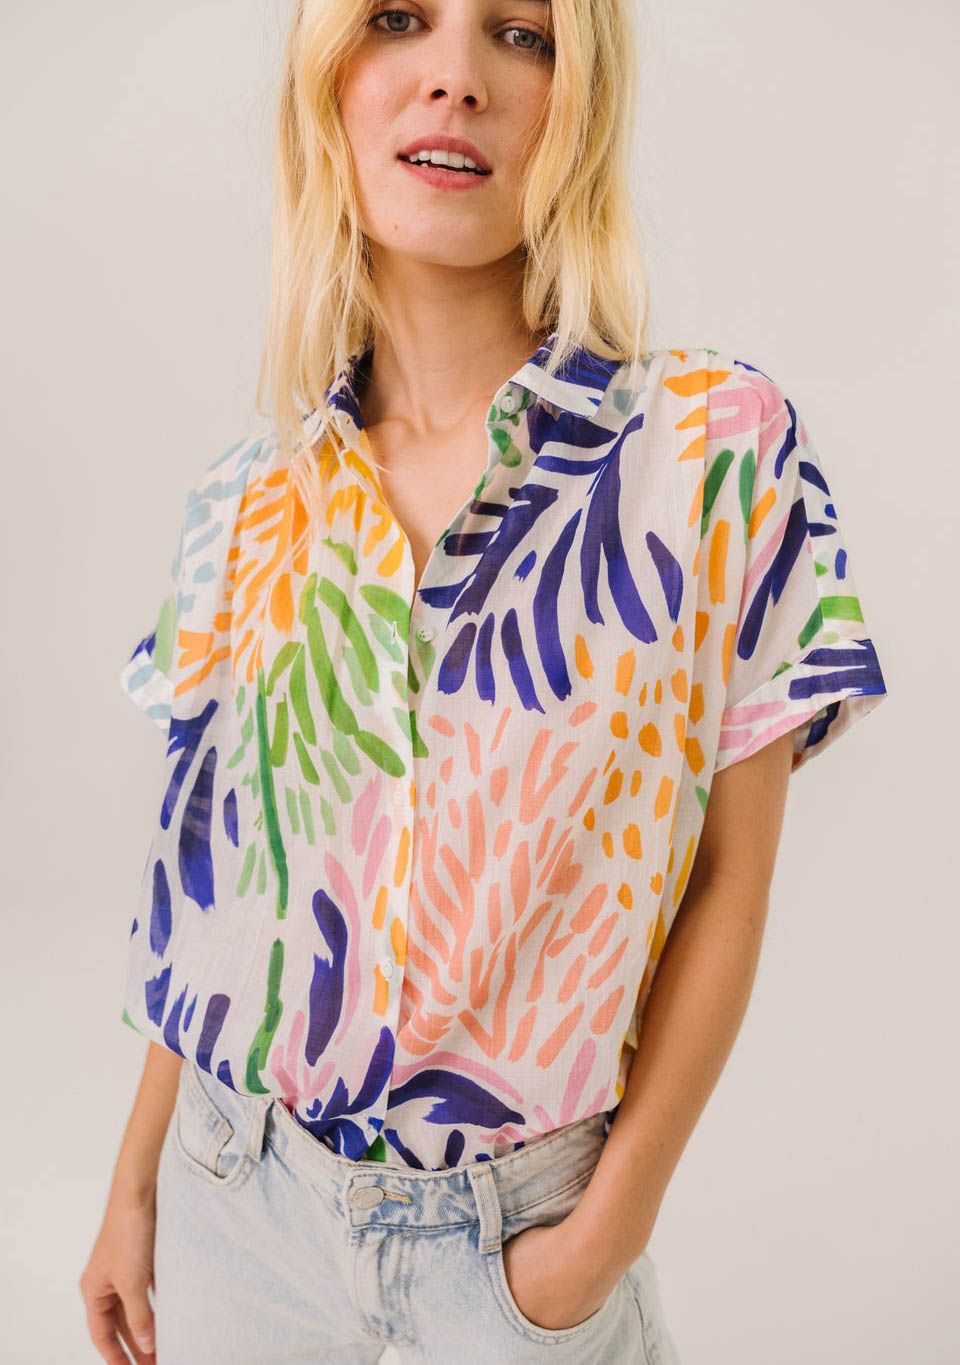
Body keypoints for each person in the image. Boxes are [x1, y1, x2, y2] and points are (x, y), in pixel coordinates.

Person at [79, 1, 889, 1361]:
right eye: (400, 18)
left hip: (518, 1251)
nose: (455, 77)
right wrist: (134, 1186)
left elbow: (730, 880)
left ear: (582, 100)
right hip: (235, 1211)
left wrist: (596, 1242)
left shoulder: (711, 451)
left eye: (523, 32)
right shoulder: (249, 499)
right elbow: (217, 908)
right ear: (328, 81)